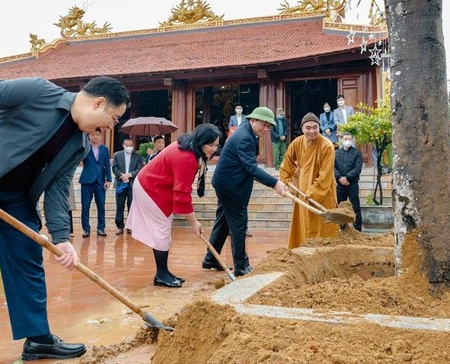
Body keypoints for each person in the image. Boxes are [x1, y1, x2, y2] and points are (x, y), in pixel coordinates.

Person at [0, 76, 130, 364]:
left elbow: (58, 190)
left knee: (28, 262)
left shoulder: (79, 145)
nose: (111, 126)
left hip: (13, 198)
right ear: (98, 103)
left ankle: (38, 339)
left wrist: (61, 236)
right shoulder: (37, 92)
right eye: (113, 118)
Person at [127, 124, 221, 287]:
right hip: (150, 187)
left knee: (163, 229)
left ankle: (164, 272)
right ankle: (161, 275)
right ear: (200, 141)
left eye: (216, 145)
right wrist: (193, 222)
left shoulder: (190, 147)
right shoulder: (187, 157)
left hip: (156, 185)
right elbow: (182, 194)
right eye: (210, 145)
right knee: (161, 230)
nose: (213, 149)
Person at [202, 107, 287, 276]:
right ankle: (242, 266)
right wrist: (275, 183)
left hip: (227, 183)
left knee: (223, 222)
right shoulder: (244, 138)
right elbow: (251, 168)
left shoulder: (248, 134)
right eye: (263, 125)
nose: (265, 129)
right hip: (230, 188)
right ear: (253, 120)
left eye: (268, 127)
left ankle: (211, 258)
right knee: (239, 226)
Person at [280, 112, 340, 248]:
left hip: (322, 193)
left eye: (315, 127)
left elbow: (325, 176)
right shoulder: (297, 143)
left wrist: (312, 193)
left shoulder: (327, 146)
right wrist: (285, 179)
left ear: (319, 128)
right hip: (302, 191)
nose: (312, 131)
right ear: (302, 128)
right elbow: (287, 164)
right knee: (303, 227)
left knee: (322, 230)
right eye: (308, 128)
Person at [79, 129, 112, 237]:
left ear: (100, 136)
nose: (95, 137)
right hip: (87, 180)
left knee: (101, 206)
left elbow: (107, 165)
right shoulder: (85, 147)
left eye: (97, 135)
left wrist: (108, 180)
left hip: (100, 181)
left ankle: (101, 228)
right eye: (93, 135)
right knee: (85, 206)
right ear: (89, 136)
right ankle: (86, 229)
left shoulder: (104, 149)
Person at [112, 138, 143, 235]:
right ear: (123, 145)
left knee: (131, 205)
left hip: (131, 184)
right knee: (120, 205)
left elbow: (139, 169)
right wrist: (121, 176)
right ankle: (120, 226)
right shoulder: (117, 155)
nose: (129, 147)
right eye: (127, 145)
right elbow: (114, 167)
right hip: (120, 183)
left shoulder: (137, 156)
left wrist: (129, 175)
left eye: (131, 145)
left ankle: (130, 226)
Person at [334, 131, 363, 231]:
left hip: (352, 184)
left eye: (349, 139)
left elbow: (358, 168)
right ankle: (343, 228)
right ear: (342, 140)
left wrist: (347, 177)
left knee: (355, 206)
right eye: (345, 139)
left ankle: (358, 228)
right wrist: (339, 178)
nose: (347, 141)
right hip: (340, 185)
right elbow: (333, 168)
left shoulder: (357, 153)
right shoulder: (336, 153)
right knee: (341, 206)